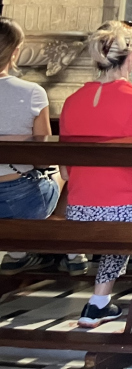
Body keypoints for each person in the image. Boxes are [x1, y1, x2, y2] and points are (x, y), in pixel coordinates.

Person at [59, 21, 132, 328]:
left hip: (79, 209)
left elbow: (64, 171)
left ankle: (100, 302)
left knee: (122, 219)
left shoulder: (70, 102)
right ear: (131, 57)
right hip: (126, 210)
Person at [0, 18, 88, 277]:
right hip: (22, 201)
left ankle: (17, 255)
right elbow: (44, 155)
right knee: (68, 173)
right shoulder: (32, 93)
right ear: (16, 51)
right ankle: (73, 252)